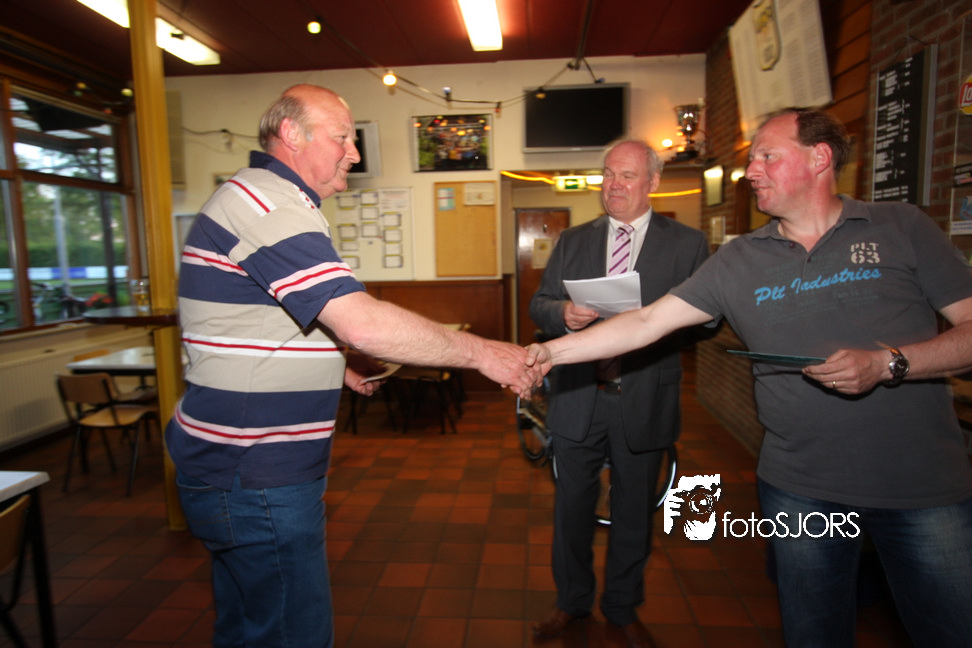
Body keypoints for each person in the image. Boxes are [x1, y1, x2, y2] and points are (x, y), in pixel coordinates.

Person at [526, 108, 972, 648]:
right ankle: (574, 602)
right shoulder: (741, 256)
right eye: (751, 158)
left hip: (922, 485)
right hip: (800, 487)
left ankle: (621, 606)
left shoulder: (901, 227)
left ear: (819, 158)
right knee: (812, 633)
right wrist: (543, 353)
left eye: (766, 156)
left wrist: (889, 364)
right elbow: (644, 322)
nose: (750, 170)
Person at [165, 84, 538, 648]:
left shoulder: (267, 199)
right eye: (342, 137)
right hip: (255, 471)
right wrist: (484, 352)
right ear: (291, 135)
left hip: (234, 465)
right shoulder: (268, 203)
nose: (354, 152)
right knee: (292, 635)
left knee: (246, 626)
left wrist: (331, 363)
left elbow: (255, 319)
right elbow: (360, 323)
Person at [529, 139, 710, 647]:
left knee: (634, 513)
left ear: (653, 182)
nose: (614, 185)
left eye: (627, 176)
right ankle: (571, 602)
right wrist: (562, 314)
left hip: (644, 396)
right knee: (571, 510)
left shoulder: (687, 243)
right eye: (608, 174)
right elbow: (540, 303)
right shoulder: (574, 240)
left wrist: (656, 322)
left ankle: (623, 607)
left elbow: (708, 320)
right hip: (578, 396)